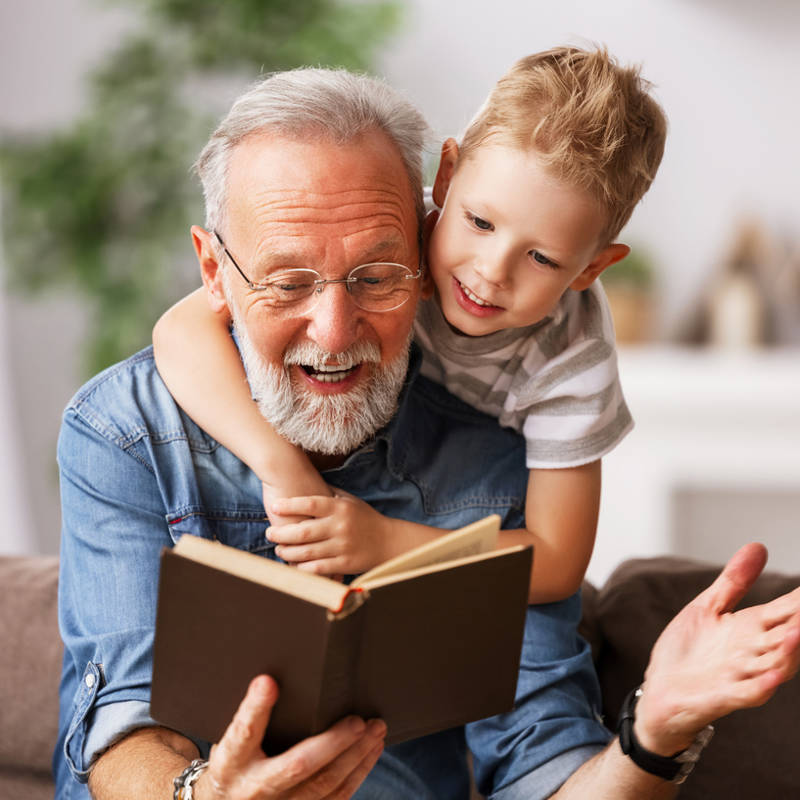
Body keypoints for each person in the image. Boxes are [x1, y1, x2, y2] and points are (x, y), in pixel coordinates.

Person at [53, 66, 800, 800]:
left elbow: (542, 759)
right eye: (287, 283)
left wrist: (656, 731)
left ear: (416, 240)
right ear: (214, 270)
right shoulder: (124, 431)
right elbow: (121, 729)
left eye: (377, 275)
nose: (335, 330)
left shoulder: (516, 435)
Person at [152, 47, 666, 604]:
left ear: (591, 267)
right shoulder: (382, 241)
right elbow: (179, 332)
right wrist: (285, 470)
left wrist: (387, 544)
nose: (489, 272)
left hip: (453, 497)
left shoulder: (572, 358)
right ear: (445, 178)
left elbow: (557, 562)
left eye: (541, 258)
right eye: (479, 222)